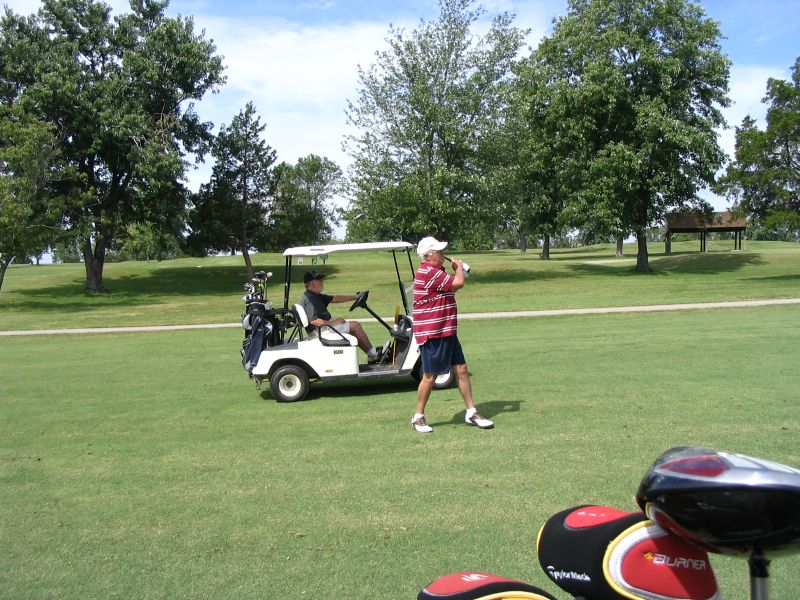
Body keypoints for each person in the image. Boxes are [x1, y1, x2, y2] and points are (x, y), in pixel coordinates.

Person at [410, 237, 494, 433]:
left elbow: (454, 285)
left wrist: (459, 271)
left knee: (462, 369)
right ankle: (418, 417)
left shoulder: (437, 271)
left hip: (446, 329)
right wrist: (458, 268)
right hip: (433, 332)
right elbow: (458, 283)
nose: (441, 254)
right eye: (438, 251)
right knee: (430, 376)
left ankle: (471, 412)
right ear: (428, 255)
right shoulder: (428, 272)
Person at [299, 271, 382, 363]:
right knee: (355, 326)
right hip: (319, 332)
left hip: (322, 329)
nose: (322, 281)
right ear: (312, 283)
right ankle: (374, 355)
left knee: (350, 324)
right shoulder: (309, 299)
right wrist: (333, 323)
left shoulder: (315, 295)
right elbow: (314, 321)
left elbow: (334, 298)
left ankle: (371, 354)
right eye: (319, 280)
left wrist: (355, 297)